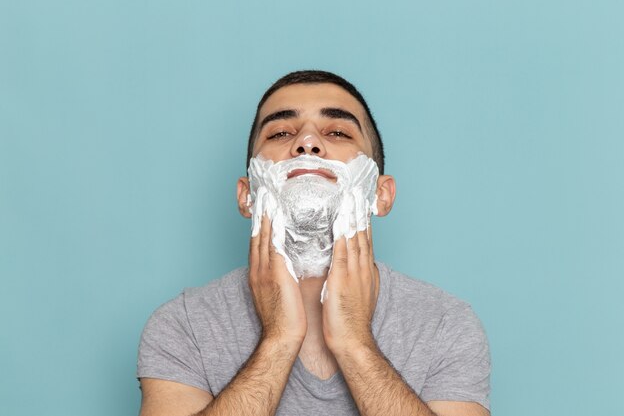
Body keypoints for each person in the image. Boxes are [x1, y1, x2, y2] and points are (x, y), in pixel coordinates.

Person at [137, 70, 491, 416]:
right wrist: (278, 339)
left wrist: (355, 343)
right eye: (280, 132)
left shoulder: (445, 323)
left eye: (337, 131)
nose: (307, 143)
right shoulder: (184, 324)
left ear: (381, 196)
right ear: (246, 197)